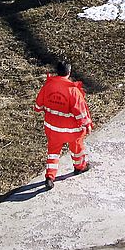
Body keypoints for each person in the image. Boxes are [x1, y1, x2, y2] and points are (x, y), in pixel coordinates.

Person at [33, 61, 93, 190]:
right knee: (77, 148)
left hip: (52, 128)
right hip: (72, 130)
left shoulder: (48, 85)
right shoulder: (73, 90)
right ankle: (80, 167)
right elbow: (81, 111)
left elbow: (38, 106)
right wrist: (87, 125)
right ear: (69, 72)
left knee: (53, 153)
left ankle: (50, 177)